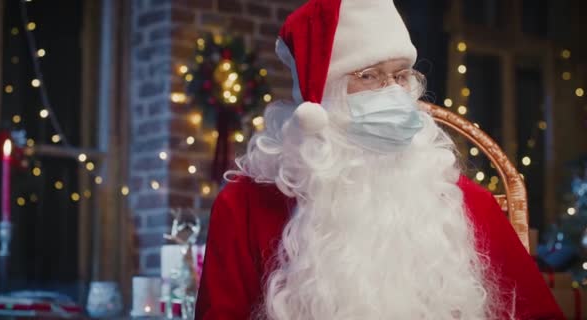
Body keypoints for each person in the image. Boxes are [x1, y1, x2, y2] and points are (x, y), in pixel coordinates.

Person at [195, 0, 564, 319]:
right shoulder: (243, 205)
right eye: (369, 75)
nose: (392, 93)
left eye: (400, 76)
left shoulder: (465, 202)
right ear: (322, 97)